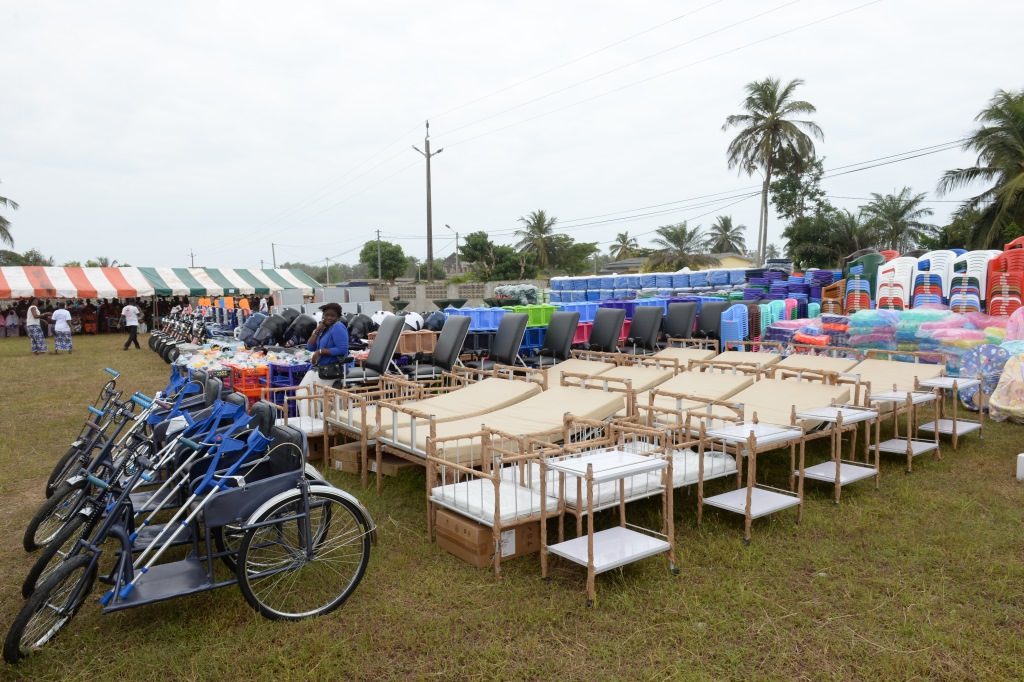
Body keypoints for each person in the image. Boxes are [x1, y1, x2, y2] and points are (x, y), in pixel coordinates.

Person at [299, 302, 350, 390]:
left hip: (330, 370)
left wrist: (320, 352)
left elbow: (342, 350)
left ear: (338, 317)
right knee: (301, 391)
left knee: (314, 396)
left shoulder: (338, 327)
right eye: (326, 315)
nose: (329, 317)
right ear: (323, 316)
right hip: (318, 368)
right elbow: (310, 347)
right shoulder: (324, 329)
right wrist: (317, 330)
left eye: (332, 315)